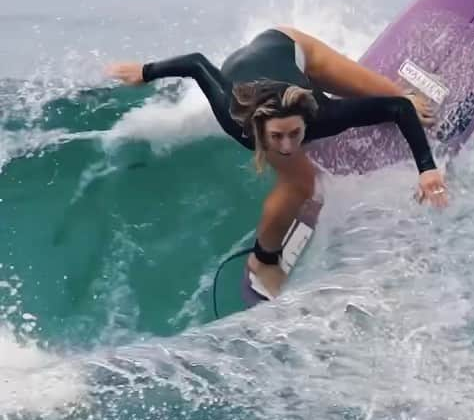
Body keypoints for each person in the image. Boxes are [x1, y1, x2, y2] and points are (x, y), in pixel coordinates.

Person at [107, 26, 448, 297]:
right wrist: (145, 71)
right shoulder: (234, 115)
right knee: (302, 183)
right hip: (245, 74)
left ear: (306, 121)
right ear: (260, 129)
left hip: (287, 45)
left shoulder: (324, 114)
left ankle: (354, 92)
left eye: (294, 134)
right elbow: (196, 63)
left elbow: (398, 110)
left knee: (394, 94)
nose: (286, 145)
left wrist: (426, 169)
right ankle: (263, 261)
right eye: (277, 137)